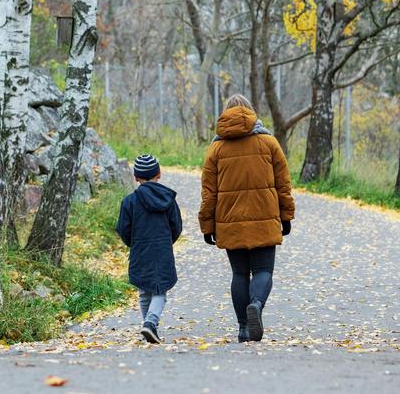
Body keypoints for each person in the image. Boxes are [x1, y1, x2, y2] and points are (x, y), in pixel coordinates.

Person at [198, 94, 295, 342]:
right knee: (263, 270)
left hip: (230, 223)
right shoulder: (269, 143)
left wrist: (207, 225)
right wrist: (286, 216)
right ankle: (257, 305)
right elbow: (283, 184)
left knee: (239, 274)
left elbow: (209, 193)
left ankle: (243, 327)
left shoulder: (215, 149)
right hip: (265, 219)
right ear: (251, 112)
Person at [115, 154, 183, 344]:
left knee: (144, 291)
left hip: (140, 252)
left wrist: (134, 244)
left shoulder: (129, 202)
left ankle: (148, 326)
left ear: (136, 178)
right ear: (159, 174)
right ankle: (151, 323)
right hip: (162, 251)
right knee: (160, 291)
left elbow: (123, 229)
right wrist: (167, 243)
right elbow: (176, 226)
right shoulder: (168, 199)